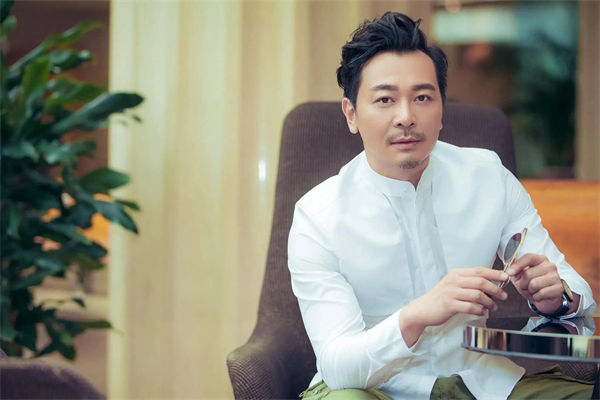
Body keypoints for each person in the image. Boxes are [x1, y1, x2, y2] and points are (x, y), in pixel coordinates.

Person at [287, 12, 596, 400]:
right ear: (351, 114)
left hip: (482, 382)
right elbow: (338, 364)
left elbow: (575, 290)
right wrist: (416, 315)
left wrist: (556, 296)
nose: (406, 117)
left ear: (441, 109)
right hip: (374, 388)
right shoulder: (318, 216)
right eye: (385, 99)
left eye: (422, 98)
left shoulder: (487, 176)